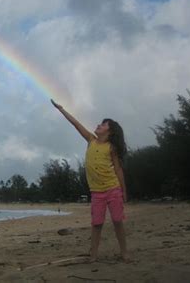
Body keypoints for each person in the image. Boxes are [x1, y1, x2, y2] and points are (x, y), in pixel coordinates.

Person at [51, 99, 130, 262]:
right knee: (97, 224)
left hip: (112, 188)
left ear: (110, 132)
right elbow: (75, 124)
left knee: (117, 221)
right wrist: (61, 109)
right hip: (97, 193)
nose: (99, 125)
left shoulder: (111, 148)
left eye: (103, 125)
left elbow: (118, 170)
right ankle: (93, 255)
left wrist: (124, 191)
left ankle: (124, 253)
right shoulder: (91, 140)